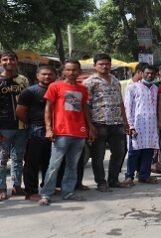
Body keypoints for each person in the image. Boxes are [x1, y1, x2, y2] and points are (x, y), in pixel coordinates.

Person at [38, 60, 95, 205]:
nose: (71, 73)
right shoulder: (55, 86)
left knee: (72, 165)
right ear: (63, 71)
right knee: (54, 165)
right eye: (68, 70)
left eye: (75, 70)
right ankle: (46, 194)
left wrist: (90, 127)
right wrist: (49, 128)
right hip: (61, 132)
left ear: (79, 72)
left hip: (79, 133)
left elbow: (85, 109)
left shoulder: (82, 89)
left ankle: (68, 192)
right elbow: (48, 109)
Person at [83, 53, 130, 192]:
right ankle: (101, 182)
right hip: (99, 122)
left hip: (116, 122)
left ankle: (114, 180)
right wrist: (90, 125)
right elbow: (85, 105)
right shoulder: (90, 82)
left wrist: (125, 121)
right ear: (95, 66)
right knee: (98, 156)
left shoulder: (115, 80)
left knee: (119, 152)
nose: (104, 66)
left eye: (107, 64)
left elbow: (120, 101)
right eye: (101, 64)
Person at [16, 66, 56, 201]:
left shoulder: (56, 90)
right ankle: (31, 191)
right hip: (36, 130)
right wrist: (31, 124)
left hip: (55, 130)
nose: (47, 77)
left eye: (50, 74)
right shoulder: (30, 92)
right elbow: (20, 112)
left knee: (49, 161)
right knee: (32, 162)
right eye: (44, 74)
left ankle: (47, 187)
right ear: (37, 76)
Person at [0, 50, 29, 200]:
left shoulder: (23, 80)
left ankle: (17, 186)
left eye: (12, 59)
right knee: (2, 159)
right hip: (4, 127)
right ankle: (2, 188)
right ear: (1, 62)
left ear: (16, 61)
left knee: (18, 158)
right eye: (5, 60)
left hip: (22, 126)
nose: (8, 62)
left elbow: (28, 102)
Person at [124, 64, 160, 184]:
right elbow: (128, 107)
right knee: (134, 152)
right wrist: (130, 125)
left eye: (152, 73)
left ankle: (145, 175)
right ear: (141, 73)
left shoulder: (156, 89)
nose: (149, 75)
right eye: (147, 73)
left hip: (151, 126)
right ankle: (129, 176)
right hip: (137, 125)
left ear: (155, 74)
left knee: (148, 151)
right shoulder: (133, 88)